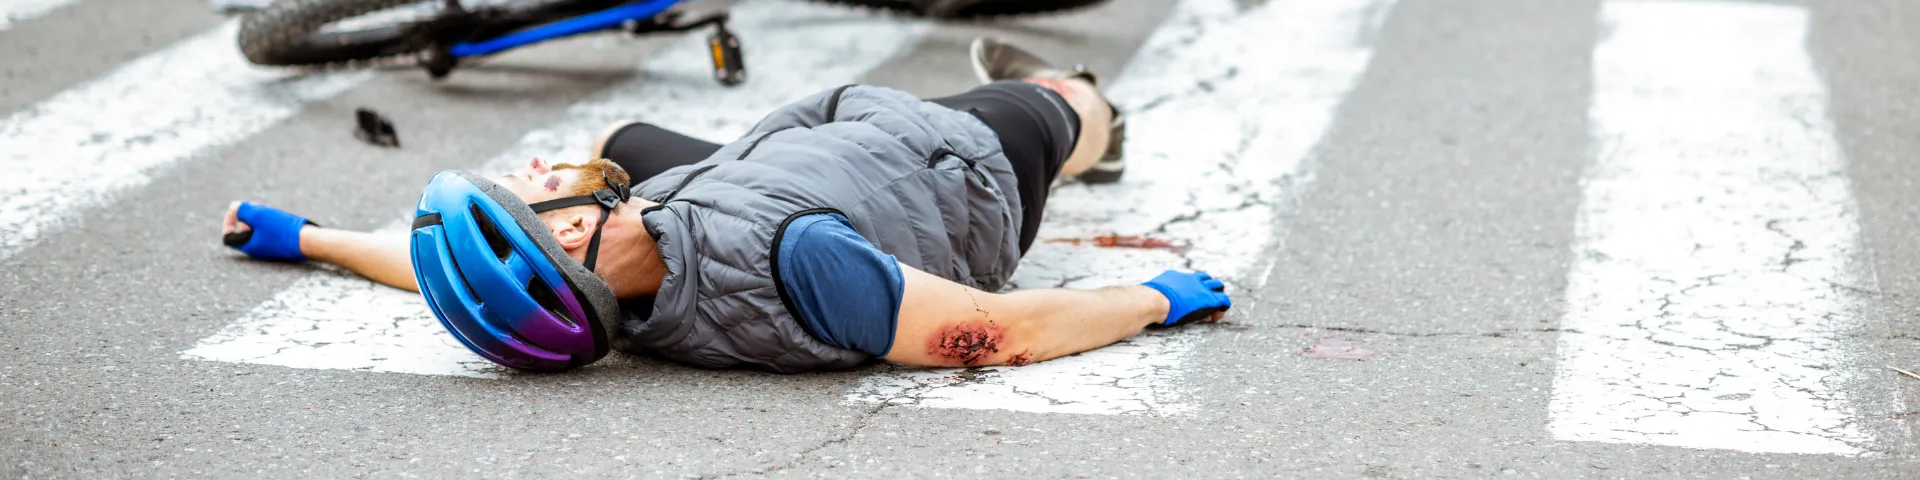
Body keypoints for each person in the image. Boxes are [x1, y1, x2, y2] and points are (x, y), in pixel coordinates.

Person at [220, 38, 1233, 373]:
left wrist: (306, 237)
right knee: (1055, 107)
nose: (531, 165)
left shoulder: (608, 285)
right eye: (525, 184)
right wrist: (1154, 298)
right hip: (948, 169)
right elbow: (992, 331)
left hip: (759, 175)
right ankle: (1089, 113)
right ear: (568, 230)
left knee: (622, 143)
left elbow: (448, 271)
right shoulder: (806, 263)